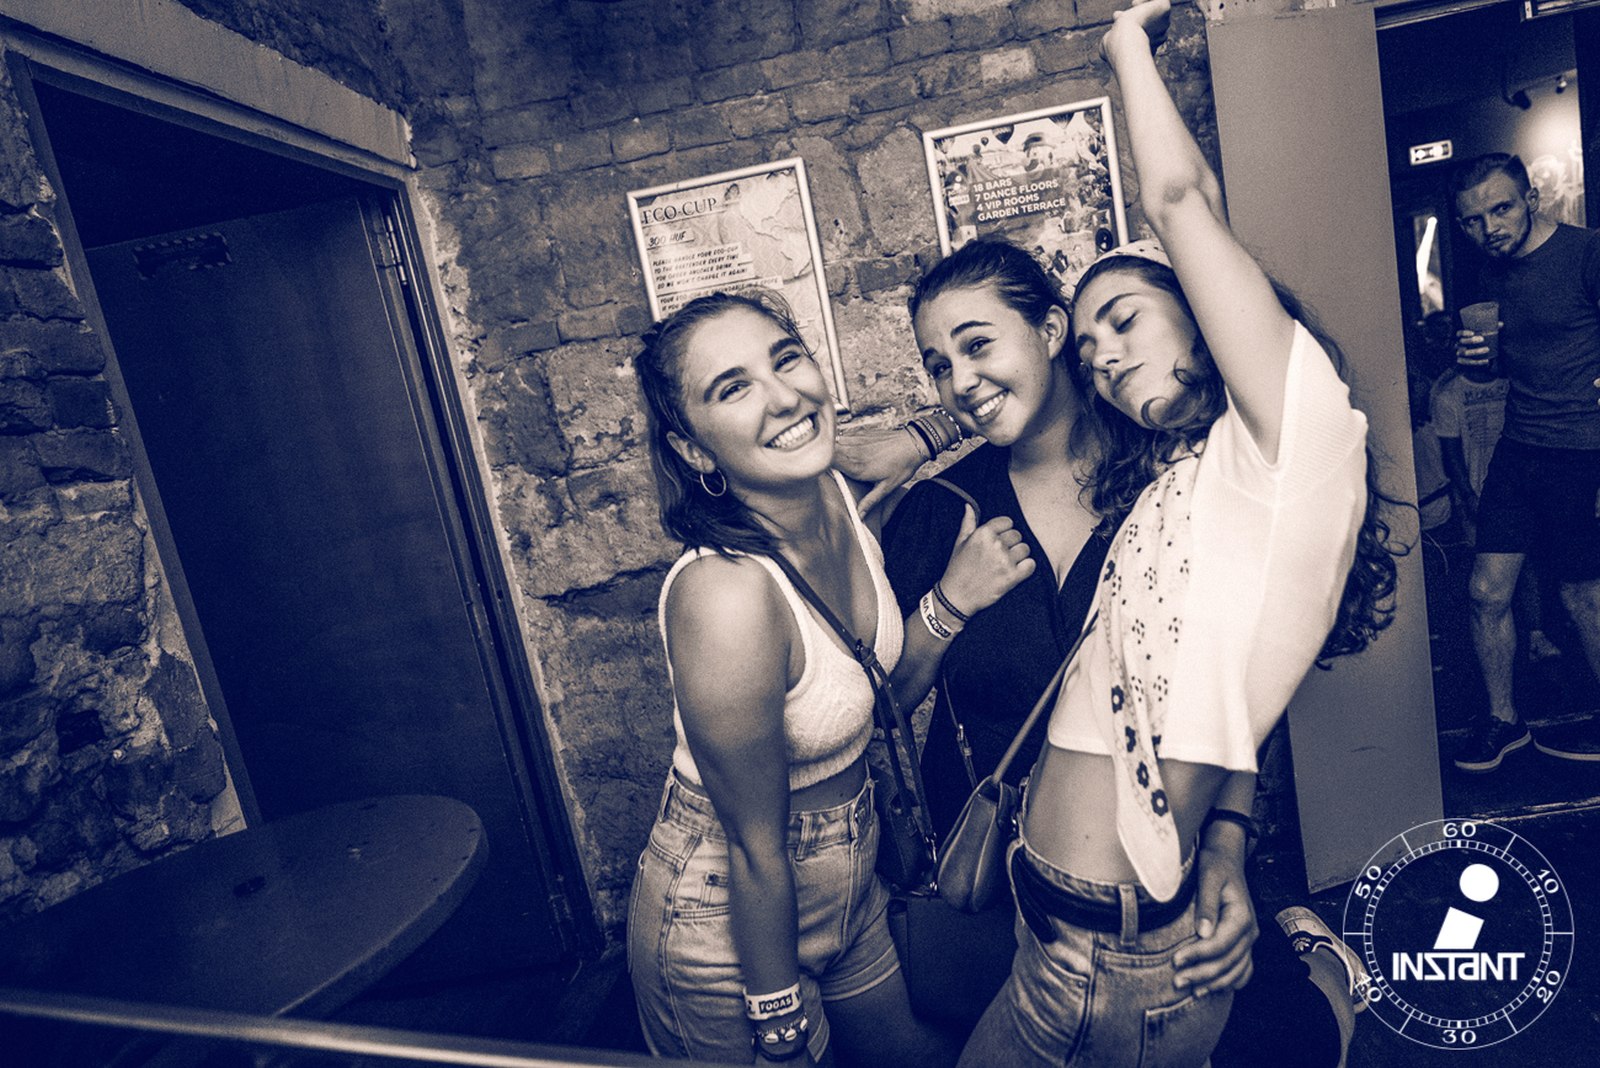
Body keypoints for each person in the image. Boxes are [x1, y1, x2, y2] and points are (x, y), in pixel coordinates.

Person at [948, 4, 1395, 1063]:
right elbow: (1207, 706)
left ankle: (1327, 996)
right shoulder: (1188, 478)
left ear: (1206, 307)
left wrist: (1126, 44)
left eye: (1126, 319)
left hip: (1117, 963)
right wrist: (1227, 849)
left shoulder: (1298, 436)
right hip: (1050, 925)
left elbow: (1183, 199)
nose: (1101, 355)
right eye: (1088, 344)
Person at [626, 289, 1030, 1066]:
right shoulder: (726, 595)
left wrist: (934, 440)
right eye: (733, 388)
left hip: (851, 883)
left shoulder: (837, 492)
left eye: (787, 359)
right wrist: (778, 1026)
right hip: (730, 926)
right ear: (693, 450)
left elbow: (870, 703)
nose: (783, 396)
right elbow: (755, 849)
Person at [1447, 151, 1600, 769]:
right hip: (1519, 449)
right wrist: (1476, 363)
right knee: (1485, 592)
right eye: (1473, 219)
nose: (1489, 228)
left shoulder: (1586, 253)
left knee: (1582, 596)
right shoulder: (1491, 275)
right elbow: (1500, 370)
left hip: (1582, 451)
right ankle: (1504, 721)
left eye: (1501, 209)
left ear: (1531, 199)